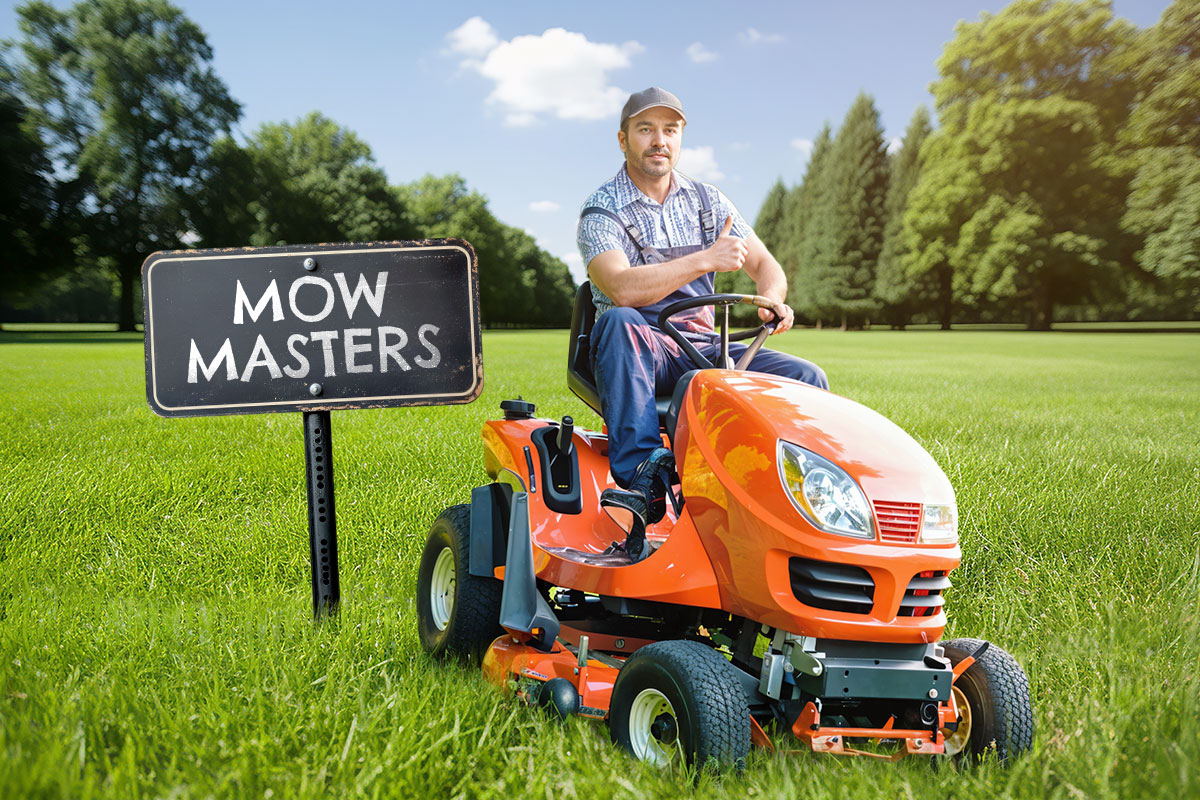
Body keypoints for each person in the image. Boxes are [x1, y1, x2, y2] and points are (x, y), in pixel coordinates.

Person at [577, 86, 828, 559]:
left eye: (669, 130)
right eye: (646, 129)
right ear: (623, 139)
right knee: (622, 322)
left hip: (703, 346)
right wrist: (706, 258)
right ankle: (642, 482)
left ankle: (805, 497)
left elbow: (767, 267)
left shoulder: (708, 201)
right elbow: (623, 288)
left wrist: (772, 298)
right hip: (640, 347)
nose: (659, 141)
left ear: (680, 138)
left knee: (806, 378)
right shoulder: (601, 209)